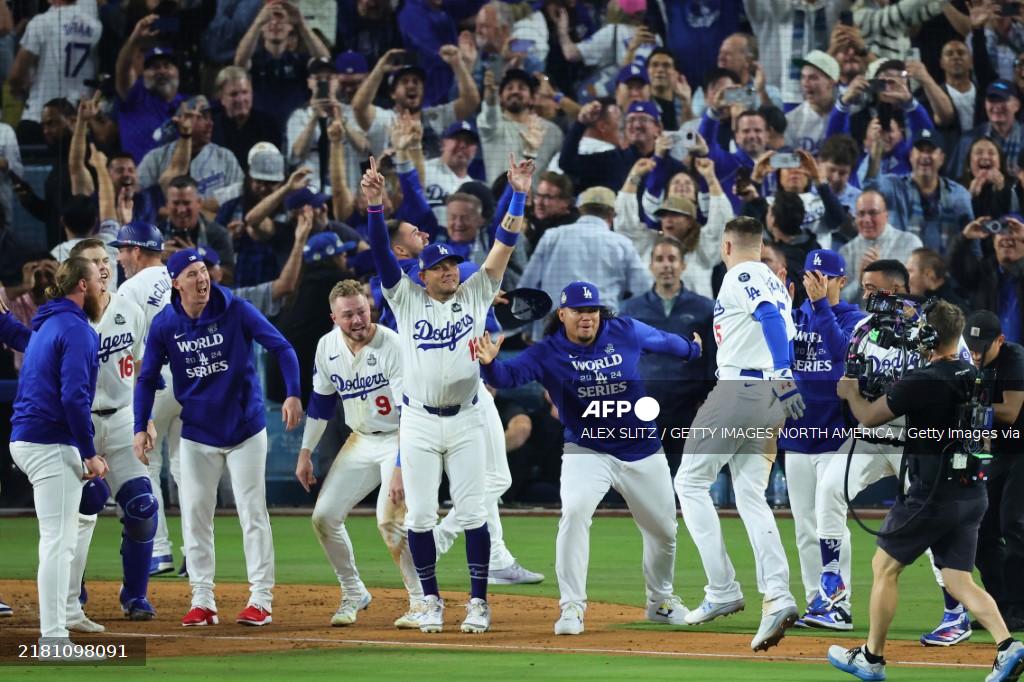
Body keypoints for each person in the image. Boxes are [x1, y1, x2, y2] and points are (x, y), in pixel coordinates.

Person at [361, 152, 532, 634]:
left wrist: (517, 191)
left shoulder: (476, 292)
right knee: (418, 515)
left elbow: (505, 242)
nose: (451, 271)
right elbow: (378, 252)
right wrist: (375, 206)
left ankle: (478, 603)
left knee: (474, 510)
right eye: (440, 267)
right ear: (422, 274)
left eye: (453, 265)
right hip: (417, 420)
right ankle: (431, 602)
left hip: (466, 417)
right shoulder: (406, 297)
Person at [474, 280, 701, 635]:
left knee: (664, 531)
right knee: (575, 513)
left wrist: (692, 350)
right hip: (587, 450)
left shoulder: (623, 329)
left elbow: (662, 341)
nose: (586, 317)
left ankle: (660, 602)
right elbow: (509, 375)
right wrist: (489, 364)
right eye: (579, 311)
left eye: (592, 310)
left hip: (641, 447)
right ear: (562, 314)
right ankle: (571, 608)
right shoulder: (548, 351)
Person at [829, 301, 1024, 682]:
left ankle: (871, 657)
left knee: (884, 567)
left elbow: (869, 417)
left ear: (930, 336)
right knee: (957, 579)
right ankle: (1007, 647)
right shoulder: (975, 373)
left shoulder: (924, 379)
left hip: (931, 494)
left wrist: (851, 393)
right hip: (971, 491)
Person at [133, 248, 302, 627]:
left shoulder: (235, 308)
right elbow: (145, 379)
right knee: (195, 516)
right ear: (176, 283)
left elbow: (282, 347)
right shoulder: (164, 324)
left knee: (252, 513)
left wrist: (292, 392)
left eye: (204, 270)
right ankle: (202, 600)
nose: (202, 278)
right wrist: (140, 426)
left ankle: (261, 599)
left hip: (244, 429)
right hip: (197, 433)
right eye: (192, 273)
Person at [816, 259, 976, 646]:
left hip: (917, 441)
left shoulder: (936, 329)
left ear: (899, 290)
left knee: (930, 523)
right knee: (828, 490)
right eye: (865, 288)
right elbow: (850, 366)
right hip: (872, 436)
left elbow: (963, 375)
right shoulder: (863, 329)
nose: (866, 295)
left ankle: (956, 613)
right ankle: (833, 596)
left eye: (873, 288)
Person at [674, 215, 802, 652]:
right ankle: (778, 595)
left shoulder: (742, 274)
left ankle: (722, 588)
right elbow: (777, 322)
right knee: (750, 496)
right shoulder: (770, 277)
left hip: (741, 390)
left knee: (688, 482)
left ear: (728, 246)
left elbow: (767, 318)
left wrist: (784, 376)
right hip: (766, 399)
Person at [295, 279, 425, 629]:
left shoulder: (392, 345)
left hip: (400, 437)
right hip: (362, 438)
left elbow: (409, 413)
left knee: (390, 519)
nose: (357, 320)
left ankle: (421, 601)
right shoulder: (327, 348)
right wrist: (305, 452)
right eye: (348, 314)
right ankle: (353, 592)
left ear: (371, 307)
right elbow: (321, 405)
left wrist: (399, 467)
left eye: (362, 311)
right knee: (323, 517)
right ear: (334, 317)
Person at [9, 256, 108, 652]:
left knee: (72, 527)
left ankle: (66, 616)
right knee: (57, 541)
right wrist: (89, 453)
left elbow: (30, 344)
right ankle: (54, 637)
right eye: (99, 280)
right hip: (49, 441)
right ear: (81, 286)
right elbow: (73, 396)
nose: (103, 286)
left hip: (29, 438)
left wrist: (3, 322)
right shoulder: (78, 330)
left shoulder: (49, 321)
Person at [778, 249, 865, 630]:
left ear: (840, 281)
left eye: (823, 277)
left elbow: (843, 353)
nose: (815, 283)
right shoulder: (793, 317)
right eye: (810, 276)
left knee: (831, 522)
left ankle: (839, 603)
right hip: (798, 433)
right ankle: (817, 598)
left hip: (836, 435)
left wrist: (819, 307)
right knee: (803, 525)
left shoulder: (856, 319)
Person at [112, 222, 181, 577]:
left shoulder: (130, 288)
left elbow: (126, 349)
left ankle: (159, 551)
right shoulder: (178, 276)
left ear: (136, 250)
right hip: (188, 377)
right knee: (188, 467)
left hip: (153, 379)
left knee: (145, 464)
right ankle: (197, 555)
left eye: (122, 249)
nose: (120, 257)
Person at [618, 235, 718, 467]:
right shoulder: (630, 309)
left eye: (672, 259)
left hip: (688, 407)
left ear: (683, 265)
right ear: (651, 266)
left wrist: (709, 398)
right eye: (660, 259)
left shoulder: (705, 308)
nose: (666, 265)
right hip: (642, 405)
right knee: (644, 474)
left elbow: (713, 359)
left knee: (686, 477)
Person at [519, 185, 651, 340]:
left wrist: (527, 328)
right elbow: (644, 290)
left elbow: (528, 286)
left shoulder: (552, 236)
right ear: (611, 215)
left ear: (581, 210)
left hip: (555, 329)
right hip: (601, 331)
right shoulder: (621, 244)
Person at [964, 311, 1024, 632]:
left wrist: (965, 404)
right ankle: (999, 605)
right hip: (1001, 451)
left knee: (1014, 523)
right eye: (971, 346)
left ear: (1000, 341)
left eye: (982, 347)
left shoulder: (1014, 359)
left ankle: (1018, 606)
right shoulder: (972, 361)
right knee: (982, 528)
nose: (975, 353)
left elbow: (1011, 412)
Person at [8, 0, 101, 145]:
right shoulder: (95, 26)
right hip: (79, 118)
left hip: (40, 117)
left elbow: (16, 74)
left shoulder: (41, 23)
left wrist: (18, 89)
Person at [839, 190, 924, 302]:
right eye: (861, 214)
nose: (867, 220)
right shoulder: (846, 252)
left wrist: (882, 280)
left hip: (899, 317)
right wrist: (859, 282)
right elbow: (839, 301)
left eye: (873, 213)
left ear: (886, 215)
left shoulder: (910, 243)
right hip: (858, 317)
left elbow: (917, 293)